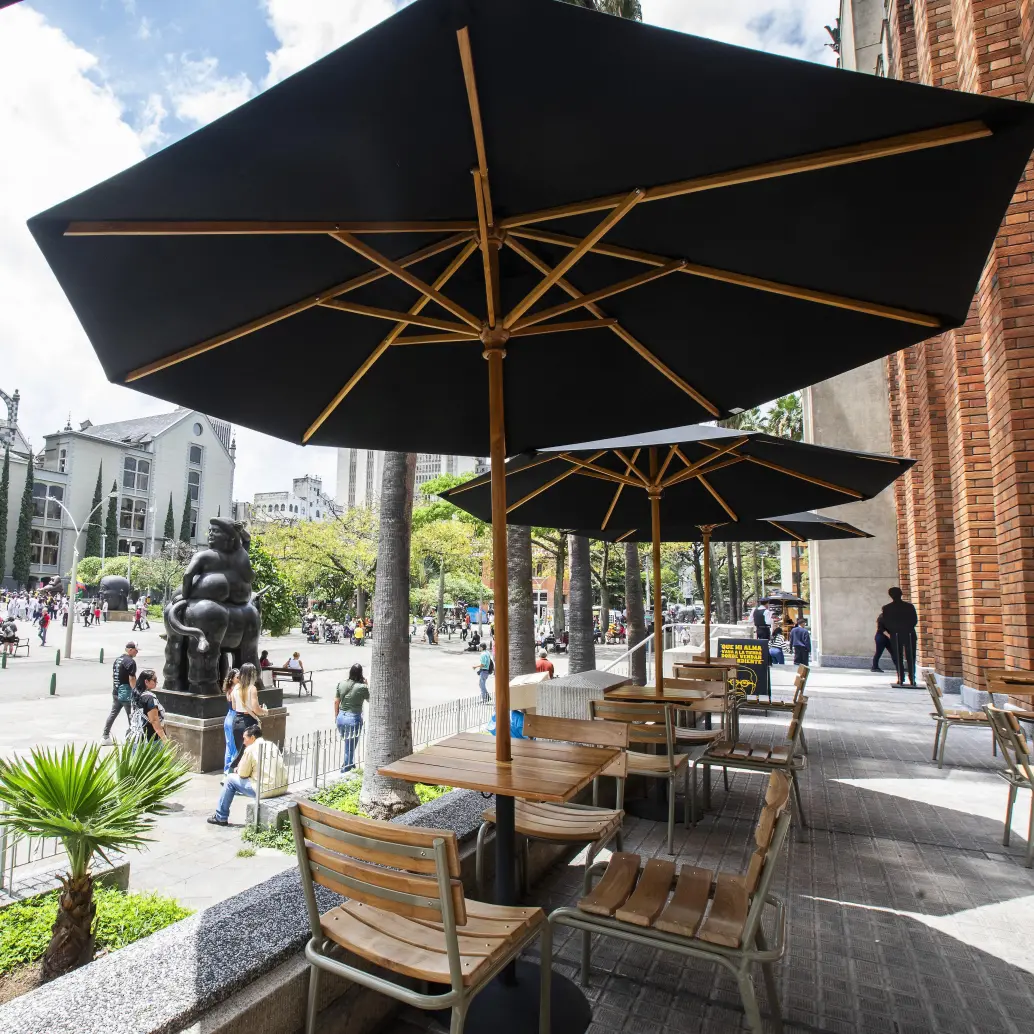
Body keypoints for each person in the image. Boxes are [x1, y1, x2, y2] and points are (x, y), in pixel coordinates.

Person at [208, 724, 287, 826]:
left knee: (229, 779)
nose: (244, 742)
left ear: (253, 737)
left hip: (265, 790)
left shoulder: (250, 749)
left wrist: (238, 770)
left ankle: (220, 817)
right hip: (282, 787)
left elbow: (243, 774)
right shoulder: (272, 745)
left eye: (245, 739)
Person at [229, 663, 268, 769]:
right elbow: (256, 709)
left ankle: (237, 773)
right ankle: (245, 775)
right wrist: (264, 711)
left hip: (236, 721)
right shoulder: (252, 688)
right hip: (249, 721)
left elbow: (233, 706)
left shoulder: (236, 688)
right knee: (250, 752)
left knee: (240, 751)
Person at [335, 662, 370, 773]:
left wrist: (336, 717)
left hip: (341, 716)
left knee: (347, 744)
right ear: (361, 674)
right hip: (353, 718)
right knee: (350, 747)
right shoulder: (362, 687)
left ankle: (349, 763)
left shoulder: (341, 683)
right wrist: (366, 685)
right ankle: (345, 770)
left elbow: (336, 702)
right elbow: (369, 699)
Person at [102, 642, 139, 744]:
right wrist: (135, 691)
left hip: (116, 691)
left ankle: (105, 736)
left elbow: (114, 675)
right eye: (136, 650)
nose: (137, 653)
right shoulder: (131, 662)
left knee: (113, 713)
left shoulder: (118, 660)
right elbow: (131, 678)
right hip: (126, 693)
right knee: (131, 715)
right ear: (130, 650)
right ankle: (131, 737)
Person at [882, 586, 919, 686]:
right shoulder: (909, 606)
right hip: (907, 633)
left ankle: (901, 677)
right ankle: (911, 678)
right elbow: (914, 621)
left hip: (898, 634)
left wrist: (894, 630)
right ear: (901, 594)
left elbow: (887, 623)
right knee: (910, 657)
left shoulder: (887, 608)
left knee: (899, 657)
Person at [128, 669, 168, 744]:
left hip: (135, 737)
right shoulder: (149, 698)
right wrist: (164, 738)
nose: (157, 682)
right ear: (146, 681)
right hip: (149, 739)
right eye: (154, 680)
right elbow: (154, 720)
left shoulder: (135, 694)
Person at [222, 668, 240, 775]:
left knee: (229, 746)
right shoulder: (236, 690)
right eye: (238, 677)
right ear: (232, 679)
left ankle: (226, 770)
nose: (240, 679)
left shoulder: (229, 689)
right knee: (234, 748)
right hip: (234, 717)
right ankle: (231, 771)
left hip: (228, 717)